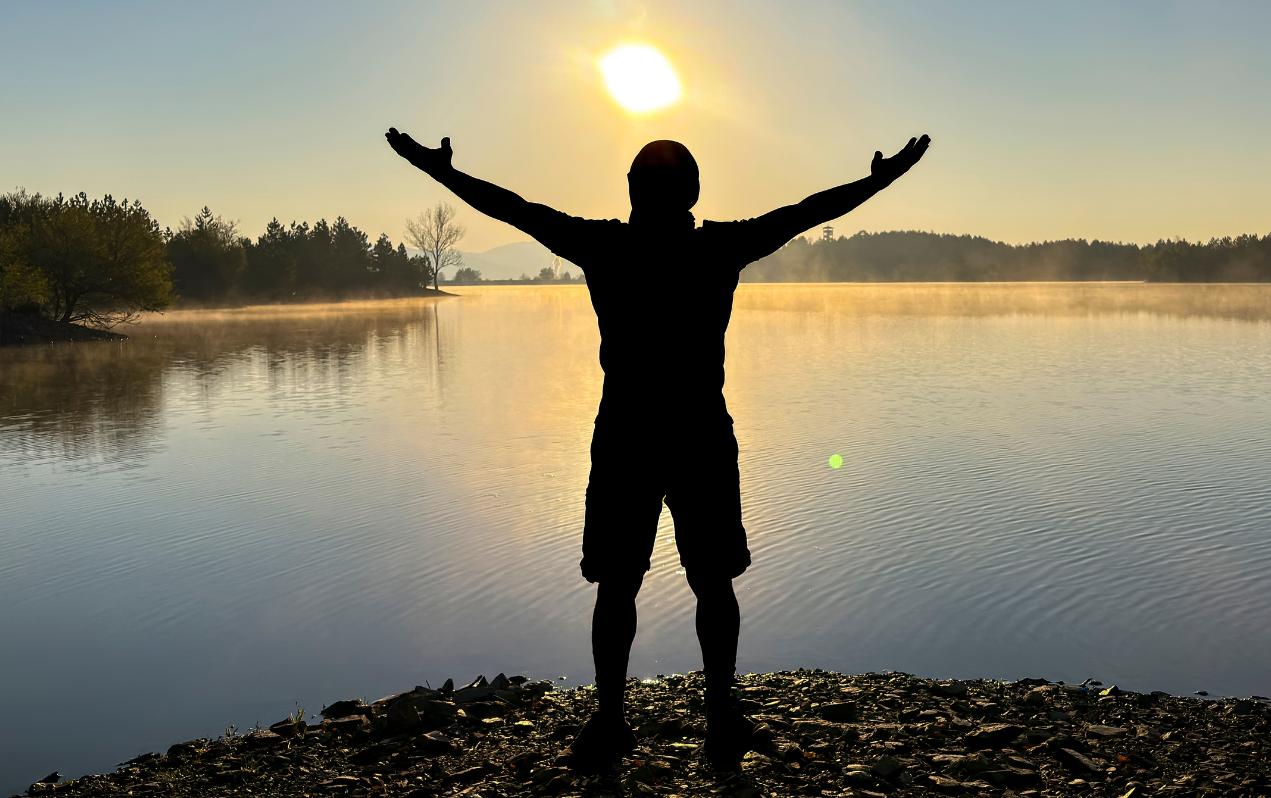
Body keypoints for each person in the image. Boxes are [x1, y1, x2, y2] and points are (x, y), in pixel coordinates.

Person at [385, 126, 931, 773]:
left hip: (627, 438)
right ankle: (716, 718)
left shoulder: (605, 246)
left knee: (621, 585)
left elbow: (513, 209)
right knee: (711, 583)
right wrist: (877, 181)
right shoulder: (718, 247)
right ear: (694, 195)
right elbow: (808, 212)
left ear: (632, 195)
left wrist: (441, 172)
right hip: (697, 433)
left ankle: (616, 721)